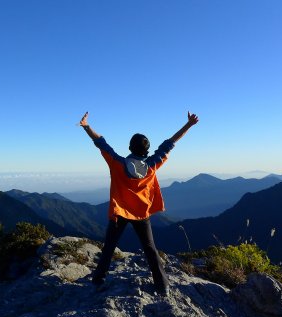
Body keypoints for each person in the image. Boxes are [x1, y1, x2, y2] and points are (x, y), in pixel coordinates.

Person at [79, 111, 199, 295]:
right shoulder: (152, 164)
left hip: (120, 212)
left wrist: (87, 126)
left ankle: (98, 280)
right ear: (147, 150)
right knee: (150, 249)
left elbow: (101, 143)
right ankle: (163, 285)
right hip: (142, 213)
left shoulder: (117, 164)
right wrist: (189, 125)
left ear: (129, 147)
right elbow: (170, 143)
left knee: (109, 246)